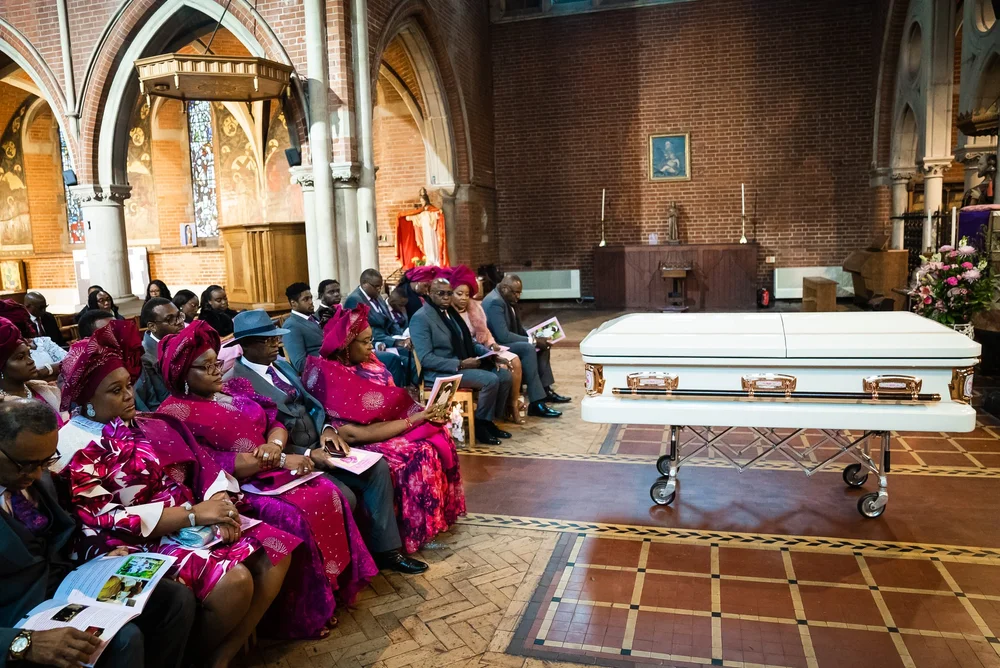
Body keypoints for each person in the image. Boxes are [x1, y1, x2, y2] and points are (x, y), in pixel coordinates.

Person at [54, 321, 295, 667]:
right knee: (235, 582)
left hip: (182, 518)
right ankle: (195, 658)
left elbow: (197, 466)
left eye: (128, 386)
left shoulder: (137, 424)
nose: (128, 396)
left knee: (277, 550)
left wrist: (219, 505)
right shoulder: (73, 445)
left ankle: (222, 654)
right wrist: (196, 515)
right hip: (129, 541)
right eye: (115, 390)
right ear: (87, 400)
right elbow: (107, 519)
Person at [156, 322, 376, 639]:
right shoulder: (175, 413)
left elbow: (274, 421)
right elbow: (212, 464)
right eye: (206, 368)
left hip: (272, 469)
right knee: (295, 515)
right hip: (235, 488)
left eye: (216, 363)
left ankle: (334, 589)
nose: (217, 371)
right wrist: (280, 458)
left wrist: (274, 445)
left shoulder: (232, 389)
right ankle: (304, 612)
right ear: (181, 374)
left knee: (326, 492)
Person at [223, 310, 427, 574]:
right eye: (267, 340)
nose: (276, 344)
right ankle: (347, 566)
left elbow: (312, 404)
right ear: (246, 345)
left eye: (275, 338)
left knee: (377, 468)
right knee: (346, 495)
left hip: (321, 442)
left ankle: (386, 551)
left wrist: (328, 429)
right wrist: (309, 452)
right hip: (289, 458)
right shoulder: (237, 383)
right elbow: (258, 440)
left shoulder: (281, 365)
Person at [0, 399, 198, 668]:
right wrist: (20, 642)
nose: (36, 474)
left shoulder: (35, 475)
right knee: (122, 639)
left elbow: (58, 537)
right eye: (25, 464)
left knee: (174, 599)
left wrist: (98, 562)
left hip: (64, 587)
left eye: (45, 462)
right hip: (16, 614)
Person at [303, 305, 465, 553]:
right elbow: (349, 433)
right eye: (365, 342)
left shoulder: (372, 364)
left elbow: (394, 401)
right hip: (365, 438)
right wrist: (414, 420)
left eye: (371, 340)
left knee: (438, 438)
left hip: (392, 426)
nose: (371, 346)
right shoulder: (331, 375)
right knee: (415, 455)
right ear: (346, 344)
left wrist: (424, 413)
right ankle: (412, 533)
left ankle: (435, 522)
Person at [410, 277, 513, 445]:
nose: (445, 297)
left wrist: (491, 355)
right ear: (429, 293)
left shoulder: (450, 313)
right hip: (441, 372)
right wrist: (461, 364)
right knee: (490, 380)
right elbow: (426, 359)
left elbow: (469, 342)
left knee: (504, 375)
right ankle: (480, 425)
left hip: (460, 364)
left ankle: (489, 421)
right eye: (440, 293)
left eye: (449, 294)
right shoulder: (421, 318)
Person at [283, 282, 407, 383]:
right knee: (376, 371)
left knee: (383, 366)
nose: (311, 302)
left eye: (310, 298)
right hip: (327, 370)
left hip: (343, 360)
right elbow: (299, 364)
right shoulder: (291, 325)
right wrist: (331, 358)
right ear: (293, 303)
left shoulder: (314, 318)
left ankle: (393, 398)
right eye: (306, 299)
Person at [483, 274, 567, 418]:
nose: (518, 296)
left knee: (544, 345)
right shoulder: (494, 302)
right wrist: (532, 341)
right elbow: (503, 336)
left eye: (520, 292)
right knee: (529, 348)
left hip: (507, 341)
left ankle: (545, 390)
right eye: (515, 292)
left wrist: (536, 336)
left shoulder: (507, 298)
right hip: (496, 345)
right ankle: (536, 403)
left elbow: (518, 328)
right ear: (504, 288)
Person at [449, 266, 524, 423]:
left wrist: (491, 346)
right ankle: (485, 421)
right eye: (459, 294)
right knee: (495, 376)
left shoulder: (474, 309)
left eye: (467, 294)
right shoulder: (448, 315)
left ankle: (505, 409)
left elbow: (485, 332)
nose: (463, 298)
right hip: (461, 360)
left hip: (482, 349)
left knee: (511, 364)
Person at [344, 270, 415, 388]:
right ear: (364, 283)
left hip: (388, 338)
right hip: (372, 343)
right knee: (397, 359)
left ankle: (412, 390)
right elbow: (362, 331)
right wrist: (395, 341)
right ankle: (396, 394)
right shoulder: (354, 300)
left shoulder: (377, 297)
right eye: (376, 286)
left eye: (380, 286)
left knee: (411, 353)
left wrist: (402, 337)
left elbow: (390, 321)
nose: (379, 289)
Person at [0, 317, 62, 416]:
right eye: (20, 358)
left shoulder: (46, 390)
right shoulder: (3, 406)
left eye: (29, 355)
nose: (31, 361)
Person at [135, 298, 183, 412]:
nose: (179, 322)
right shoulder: (145, 357)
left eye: (179, 316)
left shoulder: (183, 343)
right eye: (171, 319)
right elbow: (161, 400)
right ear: (152, 326)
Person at [0, 300, 65, 383]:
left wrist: (47, 369)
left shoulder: (42, 341)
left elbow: (71, 361)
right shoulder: (7, 350)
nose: (31, 361)